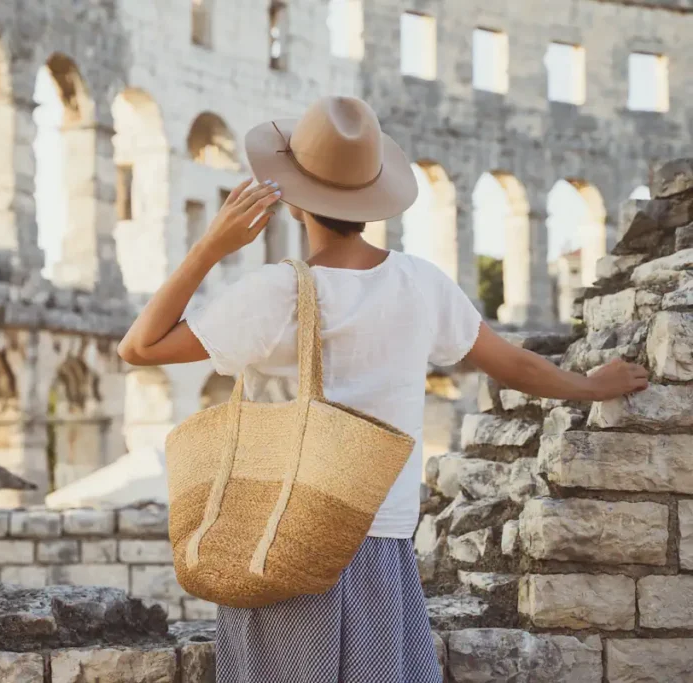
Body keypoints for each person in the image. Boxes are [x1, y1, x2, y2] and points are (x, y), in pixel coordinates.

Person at [117, 96, 648, 683]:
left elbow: (139, 347)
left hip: (278, 532)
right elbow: (515, 366)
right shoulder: (422, 283)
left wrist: (211, 247)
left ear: (294, 202)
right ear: (371, 199)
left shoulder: (276, 293)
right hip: (382, 542)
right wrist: (593, 386)